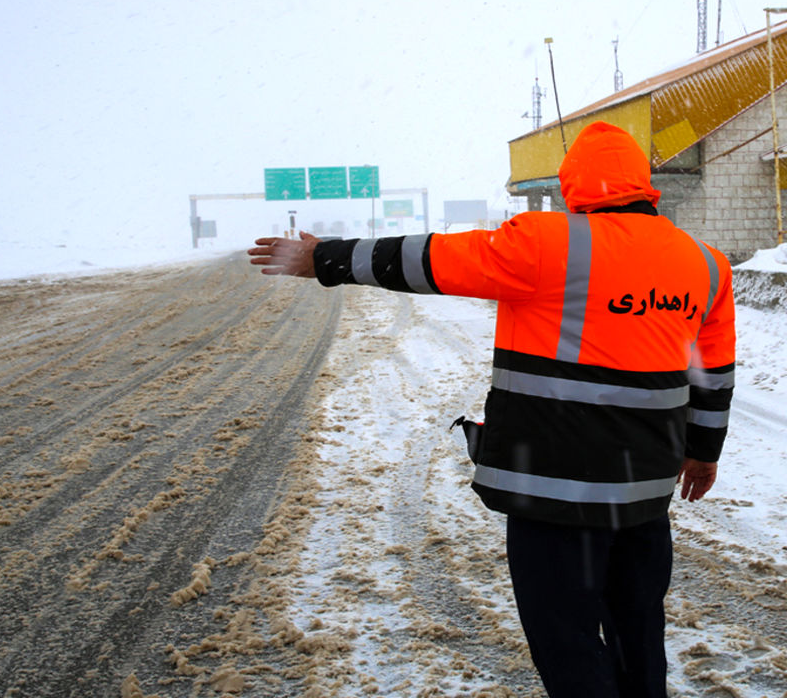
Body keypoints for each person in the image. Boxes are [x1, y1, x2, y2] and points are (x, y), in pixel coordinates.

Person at [247, 121, 735, 698]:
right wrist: (703, 454)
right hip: (643, 495)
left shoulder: (548, 242)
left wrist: (323, 257)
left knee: (567, 641)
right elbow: (714, 375)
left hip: (555, 493)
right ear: (643, 184)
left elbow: (428, 260)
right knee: (638, 634)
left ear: (574, 184)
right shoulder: (704, 264)